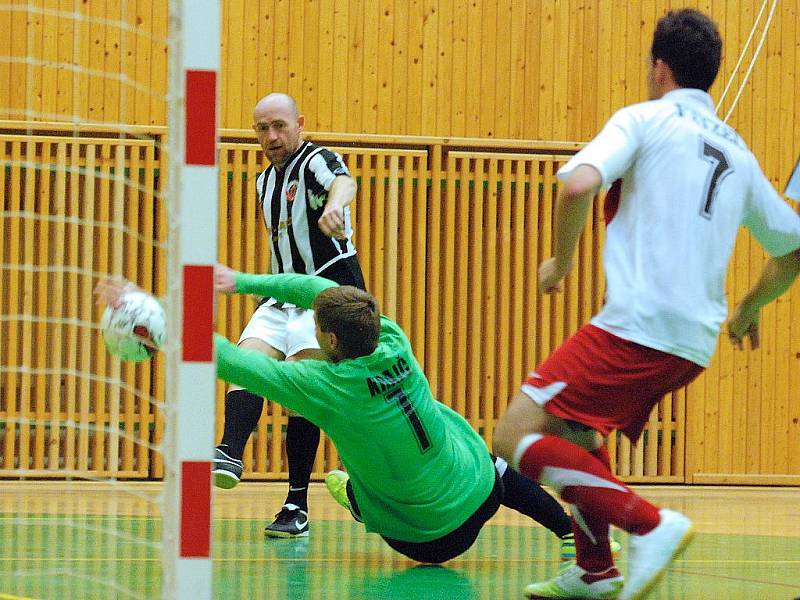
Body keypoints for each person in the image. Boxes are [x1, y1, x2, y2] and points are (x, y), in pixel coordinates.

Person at [492, 8, 800, 600]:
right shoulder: (740, 154)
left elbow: (577, 183)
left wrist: (559, 263)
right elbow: (791, 249)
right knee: (576, 429)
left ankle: (649, 524)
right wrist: (750, 309)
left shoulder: (643, 119)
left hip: (638, 326)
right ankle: (594, 569)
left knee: (513, 434)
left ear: (659, 68)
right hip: (695, 342)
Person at [211, 267, 585, 564]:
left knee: (369, 461)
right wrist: (245, 282)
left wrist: (170, 320)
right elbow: (313, 286)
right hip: (483, 494)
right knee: (477, 455)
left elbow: (234, 362)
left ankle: (361, 500)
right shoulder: (392, 337)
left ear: (332, 341)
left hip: (425, 542)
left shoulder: (326, 386)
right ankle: (570, 533)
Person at [214, 92, 368, 539]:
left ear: (299, 123)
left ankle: (296, 503)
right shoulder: (264, 182)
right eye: (262, 128)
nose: (272, 136)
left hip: (326, 295)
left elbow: (344, 180)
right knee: (246, 361)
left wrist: (337, 204)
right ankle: (229, 452)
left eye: (280, 126)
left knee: (301, 389)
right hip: (282, 293)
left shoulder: (315, 160)